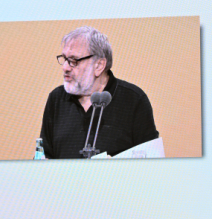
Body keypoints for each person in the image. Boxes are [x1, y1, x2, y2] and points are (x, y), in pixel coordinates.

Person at [40, 26, 159, 159]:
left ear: (99, 65)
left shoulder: (134, 100)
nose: (65, 67)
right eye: (64, 59)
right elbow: (45, 156)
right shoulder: (56, 98)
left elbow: (151, 164)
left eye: (73, 61)